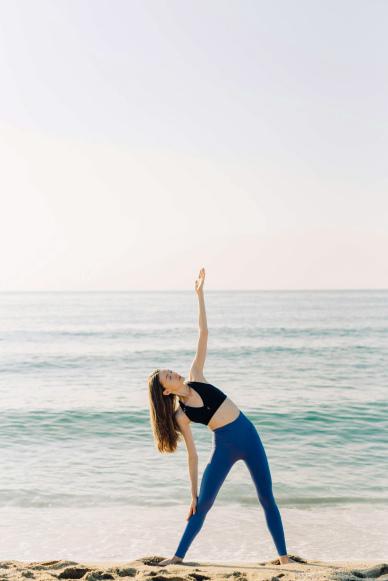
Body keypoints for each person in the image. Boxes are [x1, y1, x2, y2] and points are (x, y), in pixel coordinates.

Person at [147, 267, 291, 566]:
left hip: (249, 436)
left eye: (168, 370)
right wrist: (192, 492)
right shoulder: (181, 416)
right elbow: (193, 456)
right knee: (203, 505)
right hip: (223, 446)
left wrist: (199, 295)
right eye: (166, 378)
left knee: (267, 497)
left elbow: (204, 333)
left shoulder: (195, 375)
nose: (171, 373)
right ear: (165, 392)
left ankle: (284, 558)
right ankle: (176, 557)